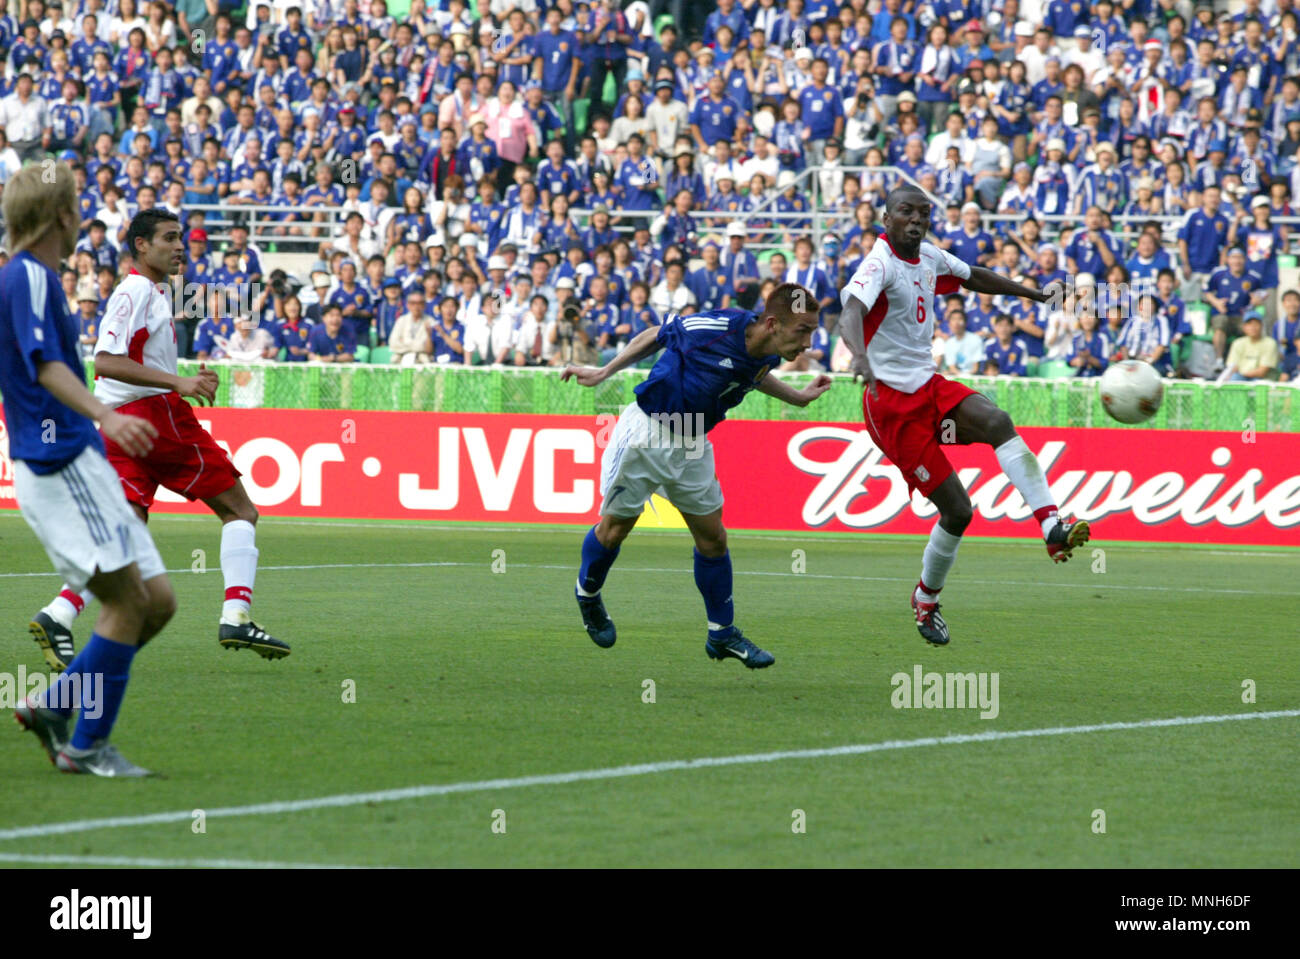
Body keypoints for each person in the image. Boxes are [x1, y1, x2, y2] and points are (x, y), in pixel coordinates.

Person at [29, 208, 290, 671]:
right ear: (142, 246)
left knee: (123, 532)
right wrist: (179, 383)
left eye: (181, 239)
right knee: (240, 510)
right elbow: (105, 361)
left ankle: (59, 613)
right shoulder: (135, 291)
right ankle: (235, 614)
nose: (179, 246)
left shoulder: (148, 293)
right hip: (153, 416)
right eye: (169, 238)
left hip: (119, 424)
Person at [838, 186, 1092, 647]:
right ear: (887, 217)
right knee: (958, 512)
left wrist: (1035, 295)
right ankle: (926, 597)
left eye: (923, 213)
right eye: (905, 212)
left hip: (929, 388)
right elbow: (850, 310)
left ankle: (1052, 525)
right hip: (890, 405)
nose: (916, 219)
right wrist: (858, 356)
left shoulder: (929, 256)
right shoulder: (878, 263)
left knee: (997, 421)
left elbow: (974, 276)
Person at [3, 161, 175, 777]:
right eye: (76, 208)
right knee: (127, 603)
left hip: (80, 459)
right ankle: (86, 746)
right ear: (61, 216)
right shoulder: (26, 277)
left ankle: (56, 706)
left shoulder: (39, 277)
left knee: (157, 601)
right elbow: (46, 365)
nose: (82, 219)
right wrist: (107, 414)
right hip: (59, 462)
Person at [561, 283, 829, 668]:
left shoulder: (767, 350)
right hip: (648, 433)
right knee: (615, 530)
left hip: (693, 442)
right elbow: (656, 334)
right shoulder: (715, 328)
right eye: (803, 330)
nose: (808, 341)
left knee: (713, 538)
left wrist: (798, 397)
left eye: (812, 331)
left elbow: (751, 376)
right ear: (772, 323)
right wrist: (604, 371)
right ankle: (587, 594)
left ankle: (721, 633)